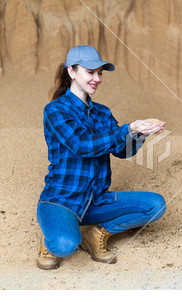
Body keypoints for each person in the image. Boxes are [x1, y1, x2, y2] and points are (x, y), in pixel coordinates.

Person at [36, 45, 167, 270]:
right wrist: (126, 129)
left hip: (96, 201)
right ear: (72, 72)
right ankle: (53, 238)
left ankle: (96, 235)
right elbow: (81, 145)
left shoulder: (103, 112)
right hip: (62, 200)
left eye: (100, 73)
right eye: (90, 72)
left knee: (155, 205)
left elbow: (122, 151)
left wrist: (138, 134)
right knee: (65, 245)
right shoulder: (56, 110)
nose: (97, 78)